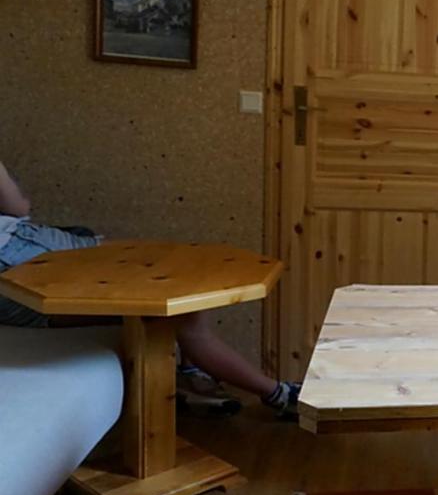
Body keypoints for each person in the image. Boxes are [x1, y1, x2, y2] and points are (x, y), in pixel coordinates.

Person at [0, 160, 299, 418]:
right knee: (176, 314)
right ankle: (275, 394)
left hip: (30, 238)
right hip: (13, 260)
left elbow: (18, 210)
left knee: (167, 269)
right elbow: (18, 210)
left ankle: (188, 376)